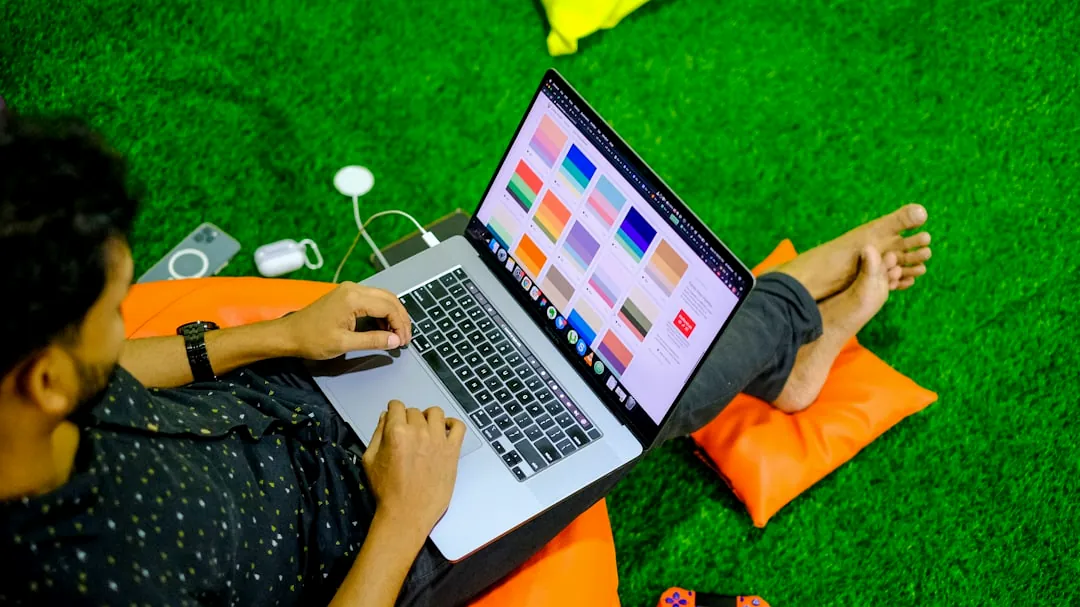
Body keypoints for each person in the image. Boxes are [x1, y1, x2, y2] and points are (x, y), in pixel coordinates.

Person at [0, 114, 930, 606]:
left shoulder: (25, 409)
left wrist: (276, 335)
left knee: (490, 281)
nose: (121, 324)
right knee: (625, 406)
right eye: (109, 309)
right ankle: (793, 320)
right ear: (42, 379)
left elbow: (118, 378)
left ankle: (783, 335)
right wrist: (404, 518)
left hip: (288, 391)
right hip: (370, 540)